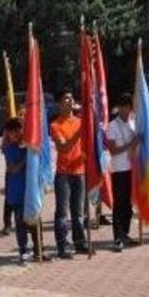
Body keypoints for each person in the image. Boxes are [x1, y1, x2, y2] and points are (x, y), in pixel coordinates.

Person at [50, 90, 88, 259]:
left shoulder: (80, 122)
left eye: (72, 99)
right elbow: (63, 148)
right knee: (62, 212)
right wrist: (79, 133)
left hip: (79, 172)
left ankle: (79, 242)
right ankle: (62, 245)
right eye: (65, 99)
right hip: (64, 173)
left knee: (78, 211)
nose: (69, 101)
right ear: (60, 105)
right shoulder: (55, 125)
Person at [2, 118, 46, 263]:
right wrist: (27, 158)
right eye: (11, 132)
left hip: (32, 192)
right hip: (17, 194)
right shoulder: (10, 149)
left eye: (17, 130)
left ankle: (39, 250)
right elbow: (12, 169)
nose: (14, 134)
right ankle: (23, 250)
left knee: (35, 222)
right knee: (21, 224)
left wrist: (32, 152)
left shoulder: (30, 147)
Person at [105, 93, 137, 251]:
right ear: (118, 108)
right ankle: (117, 236)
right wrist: (131, 144)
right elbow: (113, 149)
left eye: (128, 106)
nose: (125, 109)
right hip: (119, 169)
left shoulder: (133, 123)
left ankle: (126, 232)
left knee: (128, 204)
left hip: (133, 168)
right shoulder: (112, 126)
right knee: (119, 204)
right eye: (122, 106)